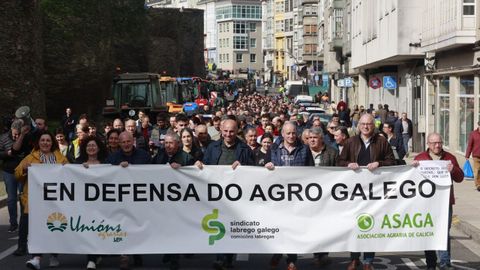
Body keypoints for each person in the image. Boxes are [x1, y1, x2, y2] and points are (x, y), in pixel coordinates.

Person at [337, 114, 396, 270]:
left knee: (370, 225)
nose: (365, 126)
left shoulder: (381, 142)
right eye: (362, 124)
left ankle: (368, 260)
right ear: (359, 126)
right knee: (354, 225)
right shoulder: (350, 142)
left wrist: (379, 163)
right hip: (354, 192)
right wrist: (348, 164)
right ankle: (354, 258)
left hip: (374, 192)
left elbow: (392, 161)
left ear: (373, 125)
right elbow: (340, 162)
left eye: (369, 124)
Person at [195, 119, 254, 270]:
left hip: (236, 197)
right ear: (221, 130)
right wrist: (199, 165)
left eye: (232, 131)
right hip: (216, 195)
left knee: (231, 227)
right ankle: (221, 258)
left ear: (237, 131)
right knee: (220, 227)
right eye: (226, 131)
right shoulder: (212, 147)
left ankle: (227, 258)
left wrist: (244, 167)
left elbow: (254, 172)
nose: (228, 134)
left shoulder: (245, 149)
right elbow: (205, 165)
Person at [15, 131, 68, 270]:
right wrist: (24, 169)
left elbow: (71, 175)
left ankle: (54, 255)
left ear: (52, 143)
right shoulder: (30, 158)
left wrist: (66, 171)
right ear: (39, 142)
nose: (45, 143)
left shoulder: (61, 158)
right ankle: (36, 258)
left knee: (54, 227)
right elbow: (17, 174)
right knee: (35, 230)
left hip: (55, 202)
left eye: (48, 140)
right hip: (35, 202)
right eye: (43, 140)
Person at [265, 121, 313, 270]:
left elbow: (312, 171)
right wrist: (267, 166)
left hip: (297, 197)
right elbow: (262, 170)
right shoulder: (273, 149)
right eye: (288, 133)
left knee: (293, 229)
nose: (291, 136)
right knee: (279, 227)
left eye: (293, 133)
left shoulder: (305, 149)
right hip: (278, 197)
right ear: (282, 134)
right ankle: (278, 253)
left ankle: (292, 260)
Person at [412, 133, 464, 270]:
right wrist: (413, 168)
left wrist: (454, 170)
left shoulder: (450, 158)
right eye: (434, 143)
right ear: (428, 144)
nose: (437, 145)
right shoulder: (420, 158)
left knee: (443, 233)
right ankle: (431, 262)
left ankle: (445, 262)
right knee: (428, 232)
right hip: (426, 203)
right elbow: (411, 179)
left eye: (439, 142)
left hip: (444, 203)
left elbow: (460, 178)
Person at [106, 131, 151, 270]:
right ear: (119, 143)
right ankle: (124, 256)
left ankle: (136, 252)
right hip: (120, 199)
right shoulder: (112, 158)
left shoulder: (144, 156)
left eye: (128, 141)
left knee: (136, 226)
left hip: (139, 198)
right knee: (123, 227)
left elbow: (154, 173)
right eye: (123, 142)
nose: (126, 144)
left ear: (133, 141)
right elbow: (105, 175)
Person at [0, 119, 24, 233]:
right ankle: (13, 223)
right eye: (15, 134)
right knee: (11, 199)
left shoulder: (25, 138)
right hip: (8, 171)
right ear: (11, 130)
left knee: (24, 198)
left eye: (18, 134)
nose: (16, 137)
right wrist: (6, 153)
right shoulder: (3, 138)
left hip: (23, 172)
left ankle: (25, 222)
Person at [466, 120, 480, 190]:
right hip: (476, 156)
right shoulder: (473, 134)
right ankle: (478, 185)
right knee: (477, 171)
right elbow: (470, 145)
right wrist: (467, 155)